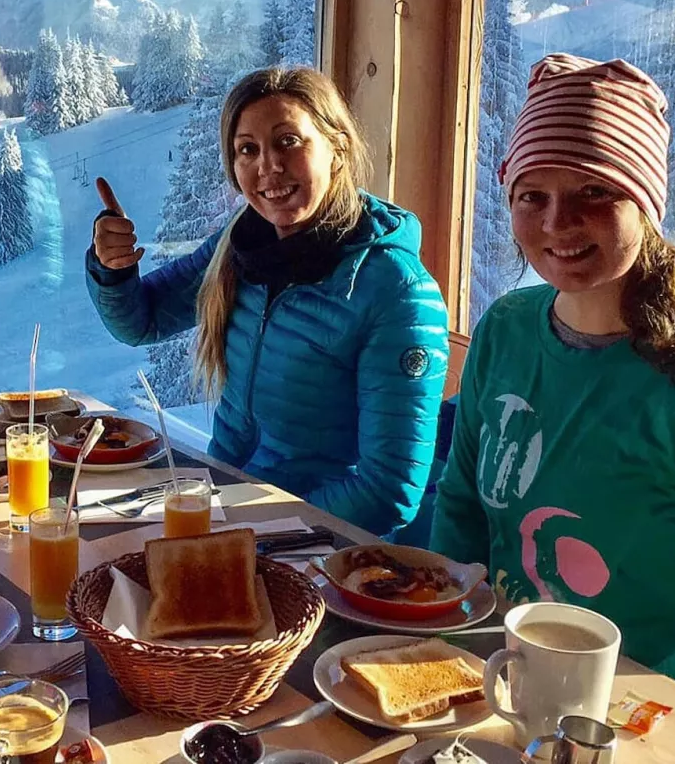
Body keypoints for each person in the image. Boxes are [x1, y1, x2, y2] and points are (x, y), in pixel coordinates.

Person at [431, 53, 675, 714]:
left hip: (658, 716)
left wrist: (597, 722)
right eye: (532, 195)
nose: (557, 222)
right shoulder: (506, 328)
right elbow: (462, 507)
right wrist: (451, 649)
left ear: (646, 203)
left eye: (594, 192)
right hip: (507, 682)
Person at [85, 66, 449, 535]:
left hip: (320, 551)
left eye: (288, 141)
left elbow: (387, 492)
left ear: (337, 149)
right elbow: (142, 321)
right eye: (247, 150)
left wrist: (256, 529)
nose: (269, 166)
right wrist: (113, 269)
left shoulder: (393, 287)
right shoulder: (241, 245)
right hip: (228, 511)